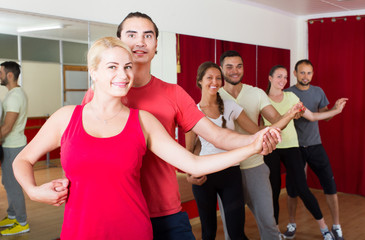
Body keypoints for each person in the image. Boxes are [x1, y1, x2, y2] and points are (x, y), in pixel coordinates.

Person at [13, 37, 279, 240]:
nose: (123, 74)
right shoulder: (66, 117)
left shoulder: (143, 121)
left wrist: (252, 146)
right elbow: (22, 160)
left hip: (133, 229)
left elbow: (194, 164)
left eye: (128, 66)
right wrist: (34, 191)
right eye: (112, 66)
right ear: (93, 71)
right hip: (79, 231)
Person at [81, 12, 280, 240]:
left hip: (165, 209)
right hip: (116, 209)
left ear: (156, 45)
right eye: (131, 34)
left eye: (148, 35)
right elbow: (84, 150)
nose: (140, 42)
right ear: (119, 42)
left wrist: (256, 139)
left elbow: (216, 135)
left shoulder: (173, 93)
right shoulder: (97, 96)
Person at [216, 50, 299, 240]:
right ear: (221, 69)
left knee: (268, 224)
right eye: (229, 66)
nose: (235, 71)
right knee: (232, 231)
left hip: (255, 167)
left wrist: (291, 114)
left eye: (239, 66)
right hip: (227, 170)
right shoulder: (215, 95)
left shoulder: (256, 93)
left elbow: (277, 120)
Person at [263, 65, 347, 240]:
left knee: (302, 188)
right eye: (279, 76)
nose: (283, 81)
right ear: (270, 78)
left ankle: (324, 229)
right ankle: (275, 232)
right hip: (272, 148)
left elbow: (313, 117)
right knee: (274, 190)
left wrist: (336, 111)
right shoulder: (261, 98)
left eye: (285, 77)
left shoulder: (292, 96)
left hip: (292, 147)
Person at [186, 62, 263, 240]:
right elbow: (189, 150)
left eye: (218, 78)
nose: (215, 81)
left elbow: (256, 132)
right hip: (205, 176)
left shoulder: (230, 107)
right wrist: (190, 176)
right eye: (209, 78)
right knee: (208, 233)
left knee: (237, 233)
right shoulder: (192, 112)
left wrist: (284, 120)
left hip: (231, 173)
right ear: (199, 81)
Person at [0, 61, 29, 236]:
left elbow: (6, 127)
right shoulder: (14, 94)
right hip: (9, 146)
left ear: (9, 75)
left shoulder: (14, 97)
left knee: (13, 186)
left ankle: (22, 221)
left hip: (13, 147)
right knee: (8, 182)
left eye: (1, 72)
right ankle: (12, 215)